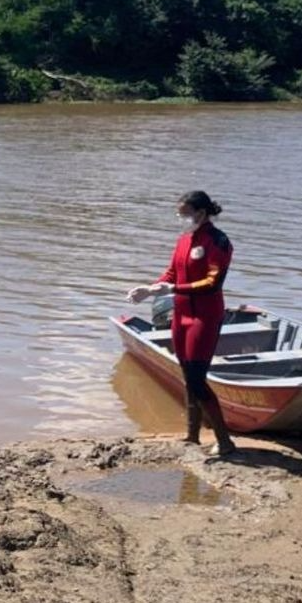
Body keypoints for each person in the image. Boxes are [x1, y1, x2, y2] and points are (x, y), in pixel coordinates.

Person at [128, 190, 237, 456]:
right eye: (180, 213)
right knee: (187, 376)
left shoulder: (218, 241)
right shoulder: (184, 240)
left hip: (205, 316)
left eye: (185, 213)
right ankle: (192, 435)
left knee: (198, 379)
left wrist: (172, 289)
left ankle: (224, 441)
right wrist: (150, 289)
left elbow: (213, 283)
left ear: (201, 213)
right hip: (182, 314)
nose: (181, 218)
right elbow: (172, 273)